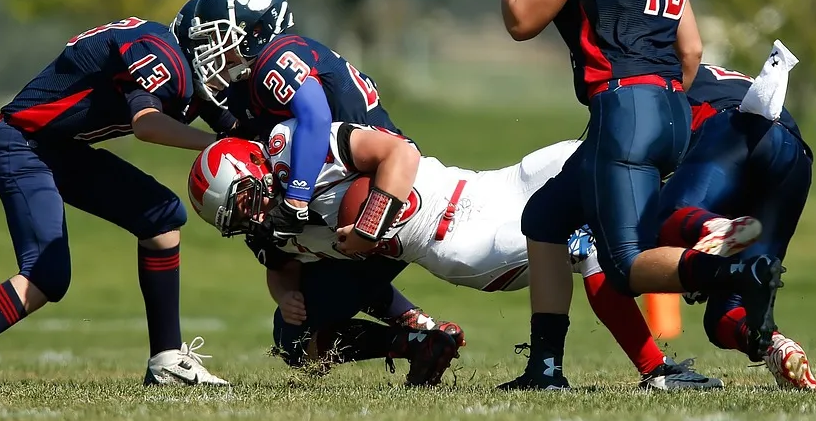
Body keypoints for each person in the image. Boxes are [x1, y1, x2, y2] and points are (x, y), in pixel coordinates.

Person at [498, 0, 783, 390]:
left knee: (627, 265)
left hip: (625, 109)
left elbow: (521, 19)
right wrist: (655, 104)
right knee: (546, 219)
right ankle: (545, 368)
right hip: (671, 109)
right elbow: (692, 49)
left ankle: (735, 268)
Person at [188, 120, 724, 390]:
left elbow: (399, 153)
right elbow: (282, 270)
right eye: (234, 220)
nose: (250, 219)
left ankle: (724, 211)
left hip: (493, 185)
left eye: (243, 202)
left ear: (255, 167)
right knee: (589, 248)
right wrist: (285, 299)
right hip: (466, 242)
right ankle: (663, 358)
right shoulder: (277, 232)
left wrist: (368, 224)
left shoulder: (294, 150)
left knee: (628, 148)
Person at [0, 17, 227, 388]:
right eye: (234, 47)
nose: (236, 61)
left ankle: (166, 360)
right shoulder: (159, 54)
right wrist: (217, 145)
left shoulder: (179, 62)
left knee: (162, 217)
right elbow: (147, 124)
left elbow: (236, 124)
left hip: (60, 148)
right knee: (46, 273)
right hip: (21, 143)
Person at [172, 0, 457, 338]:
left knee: (309, 241)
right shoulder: (245, 86)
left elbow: (317, 117)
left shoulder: (276, 57)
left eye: (217, 39)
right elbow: (277, 258)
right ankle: (420, 335)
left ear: (255, 32)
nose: (210, 53)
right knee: (291, 326)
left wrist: (296, 196)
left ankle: (418, 326)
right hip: (341, 181)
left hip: (372, 183)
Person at [658, 63, 816, 390]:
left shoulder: (661, 75)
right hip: (792, 154)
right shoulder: (709, 72)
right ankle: (773, 345)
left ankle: (714, 230)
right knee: (722, 319)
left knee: (663, 219)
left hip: (731, 133)